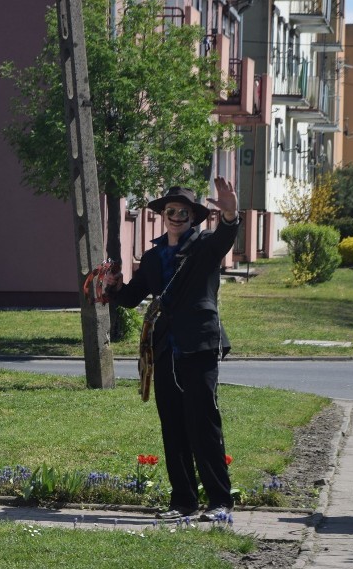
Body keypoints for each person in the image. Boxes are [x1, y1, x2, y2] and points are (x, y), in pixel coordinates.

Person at [103, 177, 240, 521]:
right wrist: (113, 289)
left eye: (183, 212)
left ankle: (220, 502)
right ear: (164, 215)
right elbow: (133, 296)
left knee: (203, 424)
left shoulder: (205, 246)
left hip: (200, 345)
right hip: (164, 349)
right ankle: (183, 502)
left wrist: (230, 215)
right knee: (173, 426)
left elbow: (226, 237)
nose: (177, 216)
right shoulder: (152, 257)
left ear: (194, 217)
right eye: (171, 211)